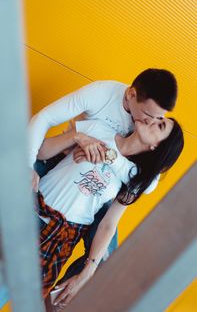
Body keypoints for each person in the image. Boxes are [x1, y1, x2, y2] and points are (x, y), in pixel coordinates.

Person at [29, 68, 178, 277]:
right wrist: (77, 138)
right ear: (131, 95)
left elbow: (147, 183)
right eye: (148, 115)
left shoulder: (144, 155)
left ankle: (67, 295)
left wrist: (109, 156)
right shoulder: (101, 94)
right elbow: (45, 119)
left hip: (94, 200)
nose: (151, 121)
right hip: (62, 159)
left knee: (105, 262)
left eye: (159, 118)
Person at [35, 116, 184, 308]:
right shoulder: (97, 129)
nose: (154, 119)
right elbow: (42, 152)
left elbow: (108, 224)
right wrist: (76, 138)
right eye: (158, 117)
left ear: (156, 146)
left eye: (161, 125)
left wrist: (89, 269)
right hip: (34, 210)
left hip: (61, 238)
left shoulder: (135, 178)